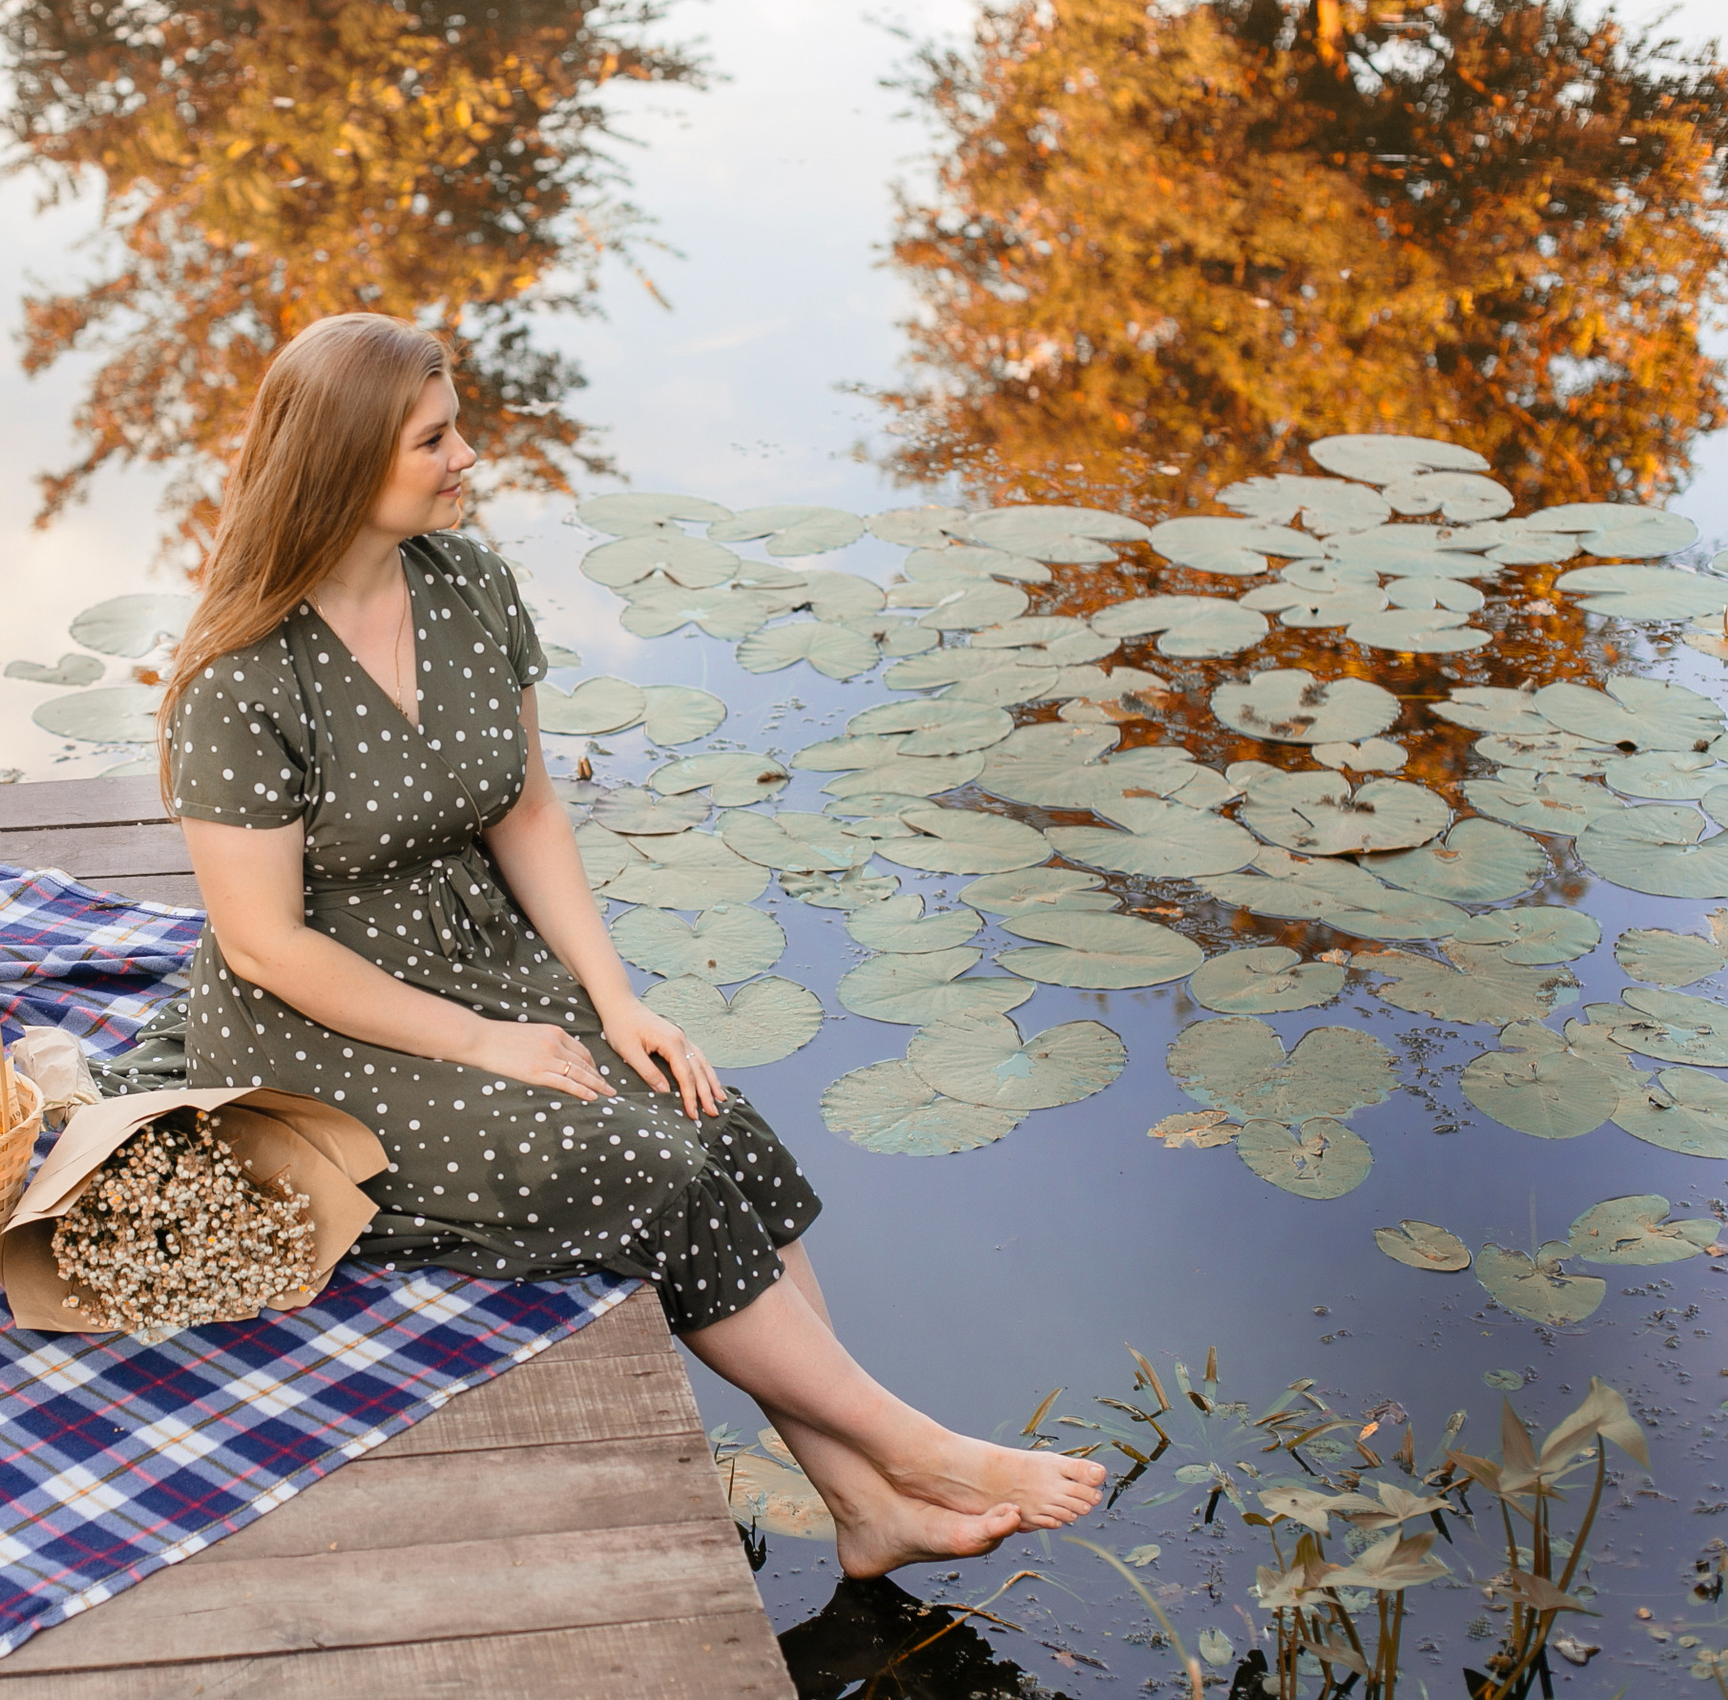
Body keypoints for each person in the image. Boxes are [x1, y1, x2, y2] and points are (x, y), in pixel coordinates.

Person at [161, 312, 1106, 1576]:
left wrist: (615, 1002)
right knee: (634, 1163)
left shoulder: (469, 587)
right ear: (340, 463)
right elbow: (266, 944)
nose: (469, 458)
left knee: (704, 1113)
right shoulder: (240, 678)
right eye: (435, 439)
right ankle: (918, 1449)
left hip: (479, 956)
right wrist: (488, 1039)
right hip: (316, 1026)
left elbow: (530, 808)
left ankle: (863, 1503)